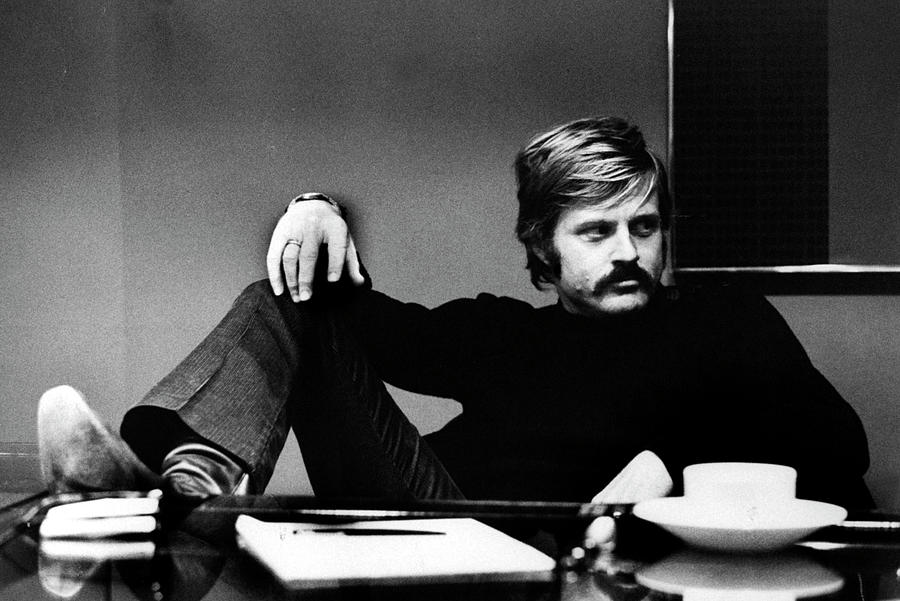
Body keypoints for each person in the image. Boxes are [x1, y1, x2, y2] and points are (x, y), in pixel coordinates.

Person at [38, 117, 873, 521]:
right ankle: (188, 489)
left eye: (644, 227)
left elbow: (839, 443)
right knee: (289, 298)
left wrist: (668, 462)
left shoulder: (723, 318)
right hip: (430, 513)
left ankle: (171, 506)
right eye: (596, 230)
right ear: (542, 246)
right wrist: (315, 205)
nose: (629, 251)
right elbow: (343, 310)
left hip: (551, 557)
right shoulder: (504, 332)